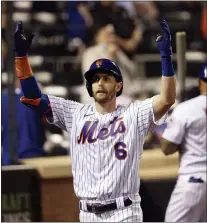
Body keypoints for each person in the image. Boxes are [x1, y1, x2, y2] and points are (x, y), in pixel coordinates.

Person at [13, 20, 176, 222]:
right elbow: (34, 98)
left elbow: (167, 99)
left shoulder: (133, 113)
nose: (100, 83)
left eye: (106, 78)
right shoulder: (74, 113)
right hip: (88, 214)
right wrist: (21, 57)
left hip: (124, 212)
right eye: (96, 79)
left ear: (118, 85)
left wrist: (166, 57)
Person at [161, 63, 207, 222]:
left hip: (194, 179)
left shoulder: (186, 108)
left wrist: (183, 142)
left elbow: (167, 147)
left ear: (199, 82)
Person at [1, 80, 45, 165]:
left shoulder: (3, 99)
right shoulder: (36, 97)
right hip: (32, 156)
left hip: (8, 159)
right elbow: (44, 122)